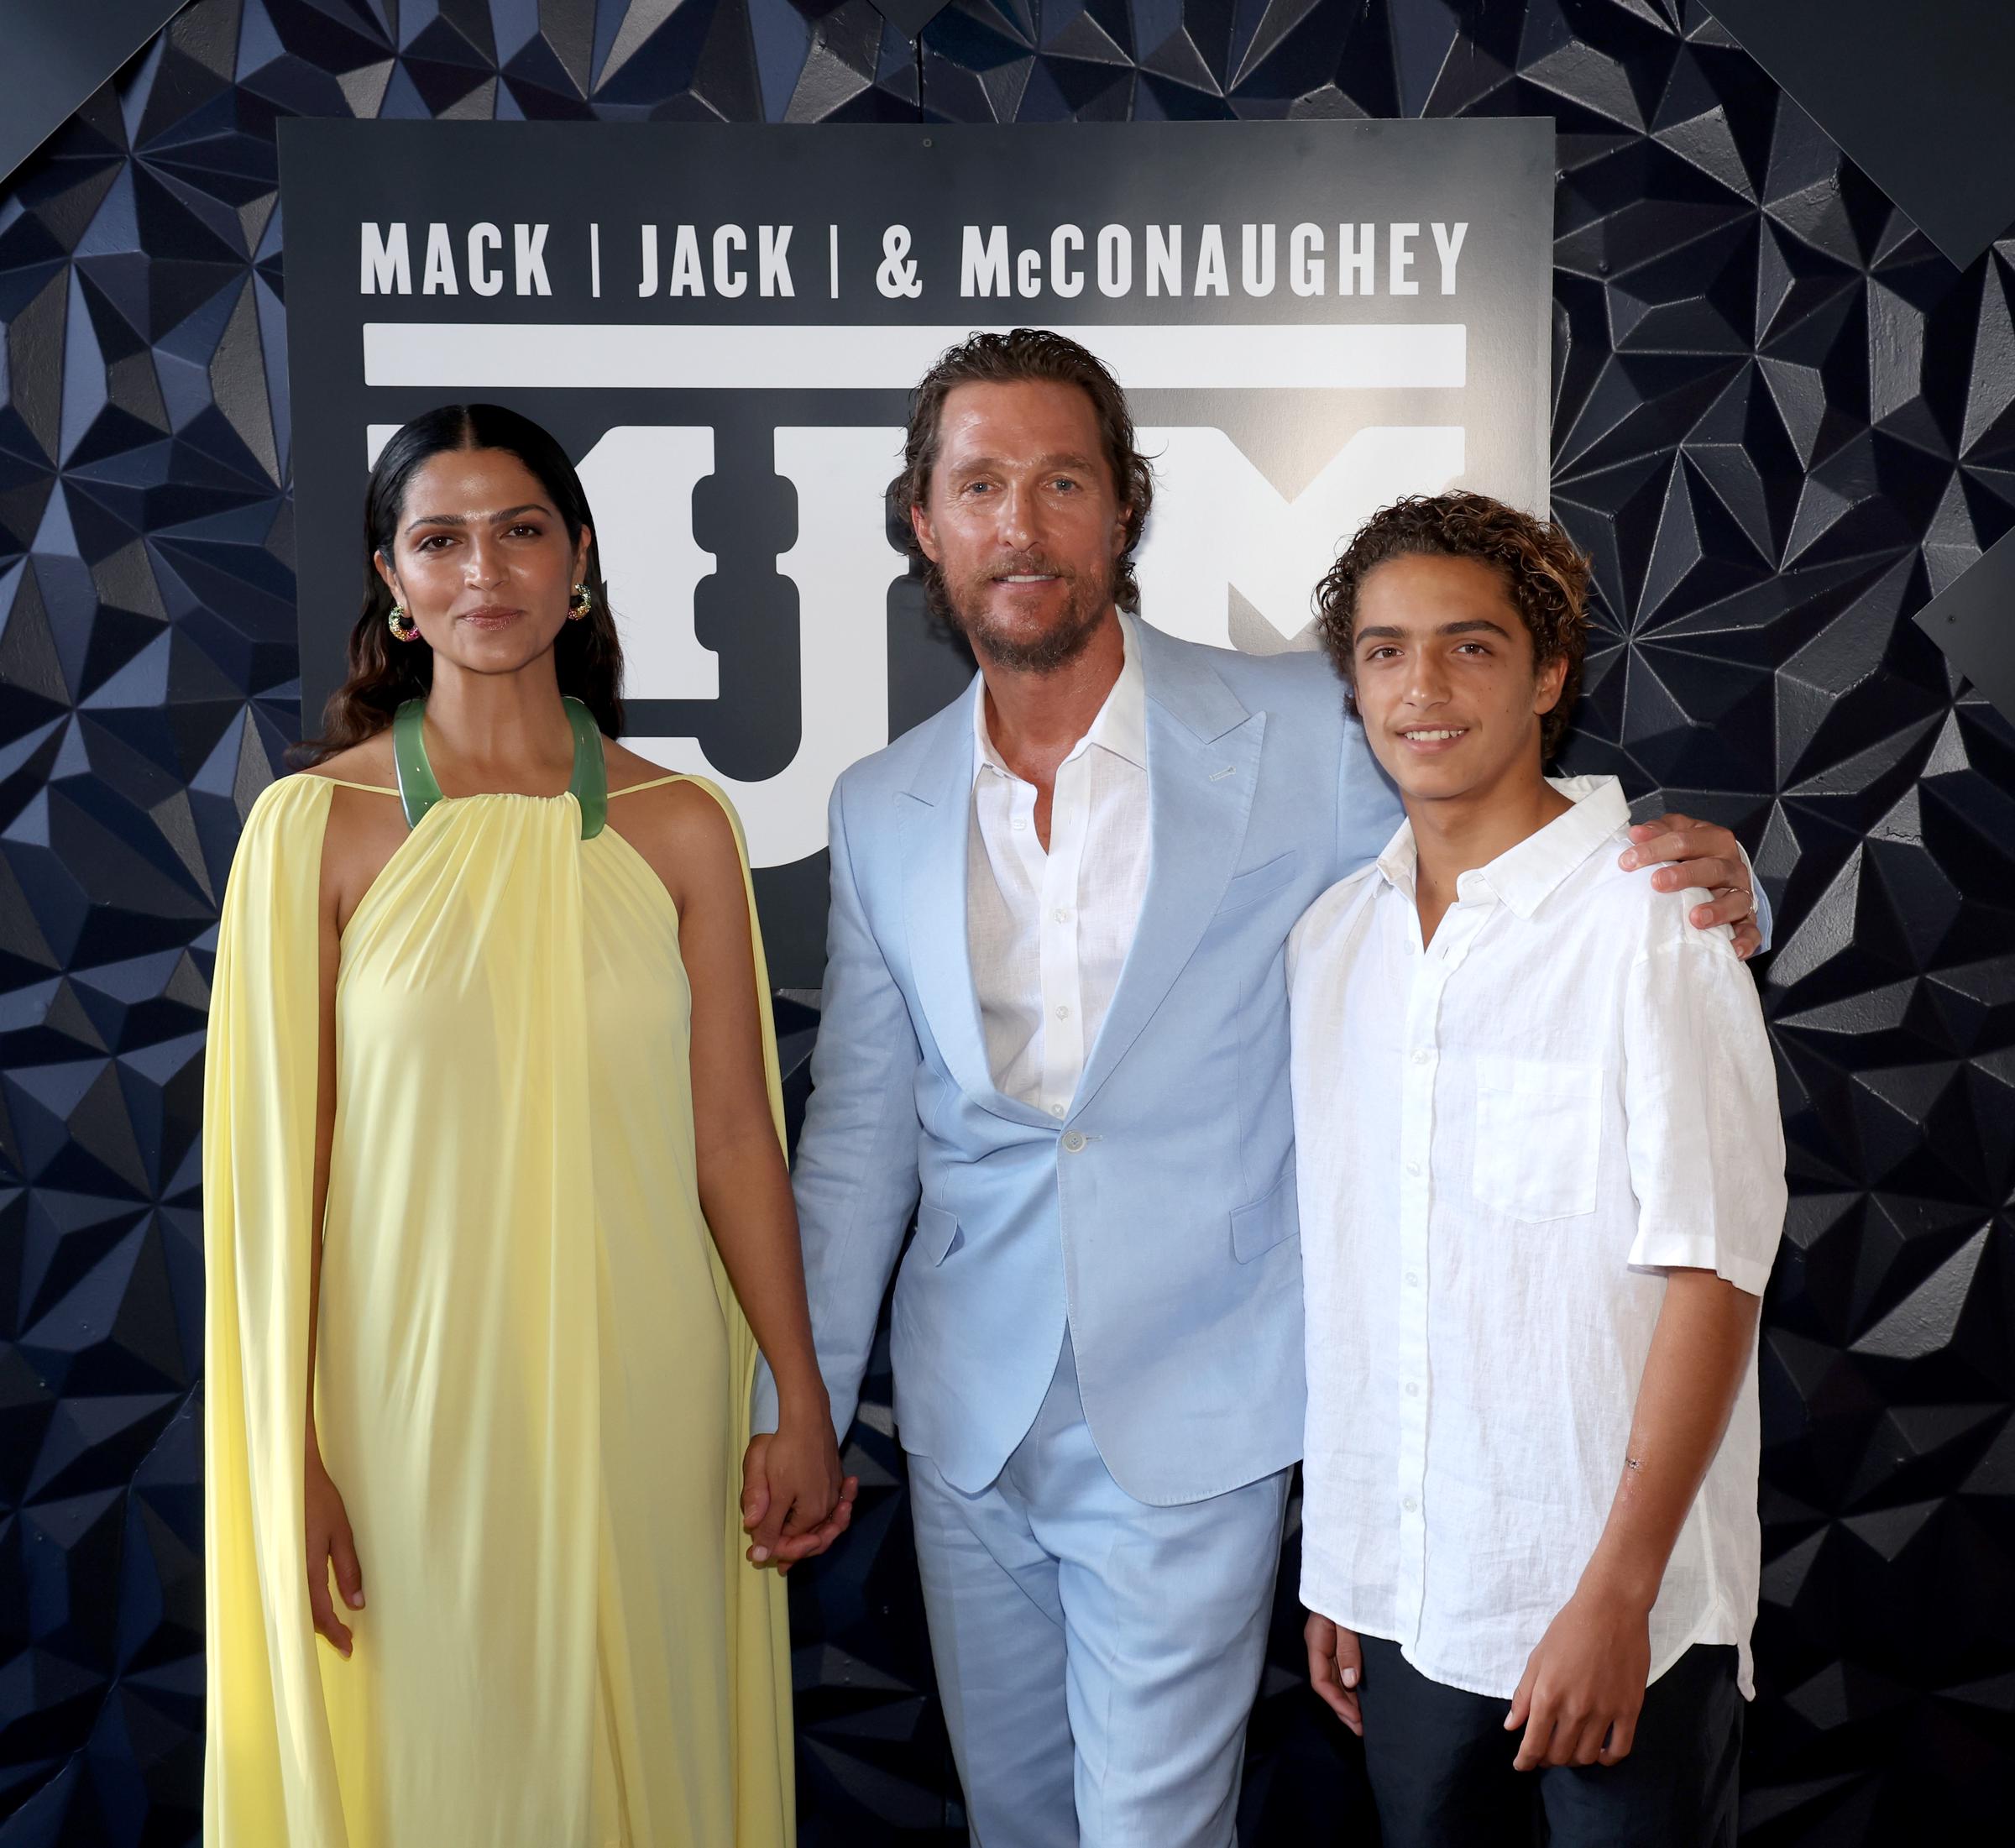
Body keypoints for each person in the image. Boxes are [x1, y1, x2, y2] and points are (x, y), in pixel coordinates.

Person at [737, 330, 1766, 1846]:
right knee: (1016, 1823)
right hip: (965, 1417)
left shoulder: (1306, 723)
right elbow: (858, 1145)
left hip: (1197, 1407)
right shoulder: (878, 805)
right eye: (980, 486)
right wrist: (799, 1399)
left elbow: (1506, 829)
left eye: (1062, 482)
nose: (1021, 524)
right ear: (923, 522)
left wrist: (1730, 877)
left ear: (1126, 510)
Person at [202, 403, 852, 1846]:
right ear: (393, 577)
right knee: (451, 1761)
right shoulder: (314, 830)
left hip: (654, 1388)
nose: (483, 570)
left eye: (520, 531)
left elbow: (738, 1138)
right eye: (441, 538)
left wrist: (795, 1396)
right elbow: (277, 1178)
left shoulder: (685, 823)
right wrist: (288, 1448)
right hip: (409, 1401)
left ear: (581, 565)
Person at [1292, 493, 1785, 1847]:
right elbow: (1354, 1271)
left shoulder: (1656, 921)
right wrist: (1347, 1555)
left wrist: (1618, 1593)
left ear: (1551, 672)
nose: (1423, 687)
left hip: (1614, 1610)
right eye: (1385, 650)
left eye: (1470, 645)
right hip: (1405, 1608)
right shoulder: (1333, 946)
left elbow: (1717, 1269)